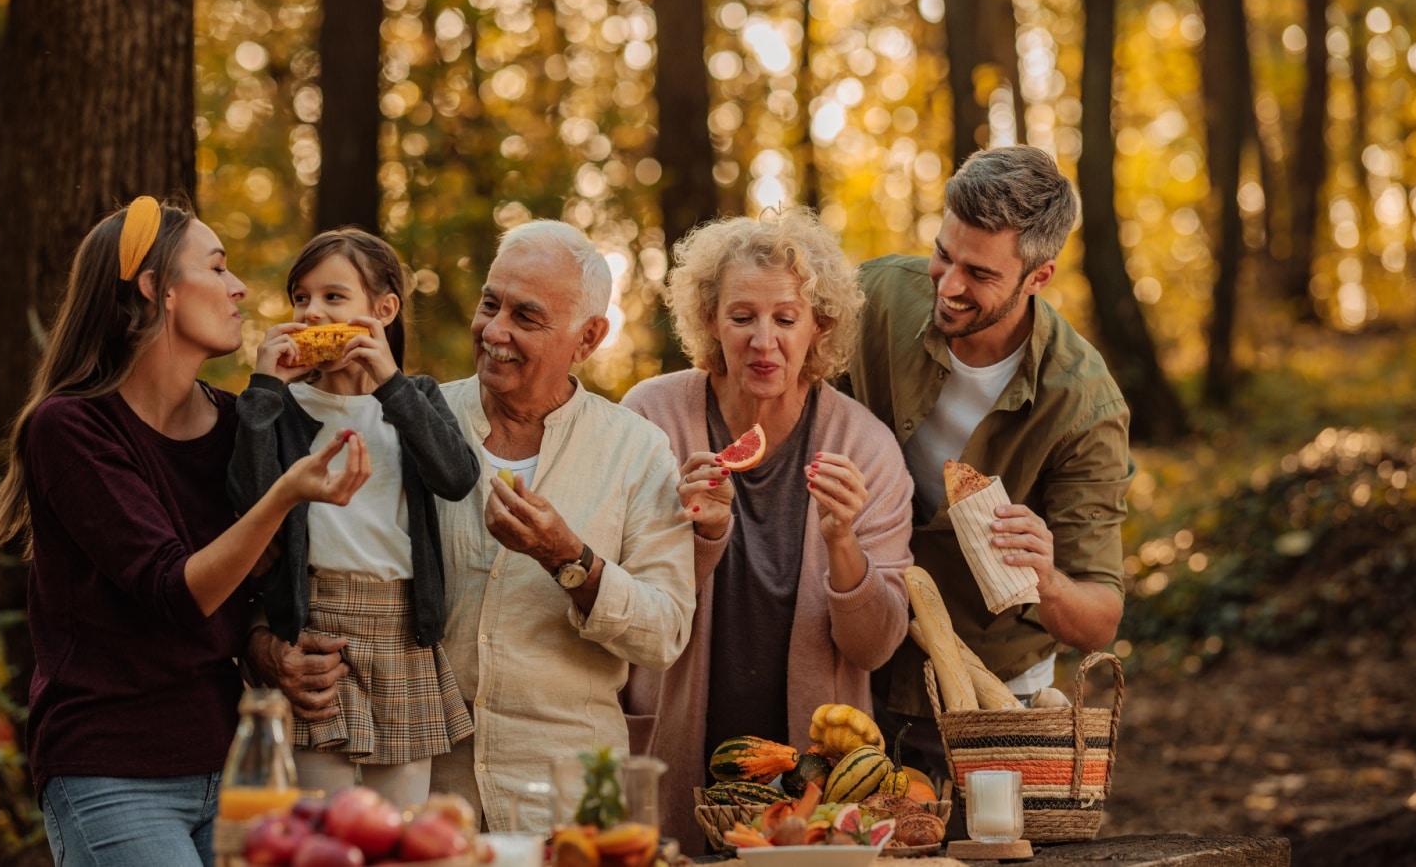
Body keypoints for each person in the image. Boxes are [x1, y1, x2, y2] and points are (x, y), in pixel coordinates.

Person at [248, 219, 695, 832]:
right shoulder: (411, 414)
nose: (495, 331)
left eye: (527, 316)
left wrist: (571, 558)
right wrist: (268, 648)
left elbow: (664, 633)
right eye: (491, 304)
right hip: (429, 782)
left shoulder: (637, 450)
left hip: (566, 797)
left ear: (588, 337)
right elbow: (285, 549)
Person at [0, 197, 369, 867]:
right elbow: (176, 592)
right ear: (155, 288)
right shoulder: (70, 429)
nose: (240, 286)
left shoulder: (237, 421)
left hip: (233, 760)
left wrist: (272, 651)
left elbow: (249, 589)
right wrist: (284, 495)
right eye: (216, 268)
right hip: (113, 770)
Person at [619, 209, 915, 855]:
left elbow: (875, 646)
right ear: (708, 320)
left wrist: (844, 547)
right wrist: (700, 536)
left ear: (820, 327)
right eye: (741, 316)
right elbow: (622, 604)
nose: (763, 340)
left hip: (810, 783)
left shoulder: (865, 447)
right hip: (673, 750)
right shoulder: (650, 419)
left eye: (786, 318)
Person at [845, 146, 1135, 789]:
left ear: (1038, 277)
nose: (948, 285)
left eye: (979, 273)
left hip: (992, 692)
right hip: (854, 654)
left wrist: (1050, 579)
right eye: (944, 253)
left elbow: (1100, 616)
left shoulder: (1084, 404)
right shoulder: (876, 299)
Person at [229, 228, 479, 807]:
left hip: (401, 630)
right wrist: (264, 388)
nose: (311, 310)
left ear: (383, 310)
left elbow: (456, 476)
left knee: (400, 831)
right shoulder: (283, 408)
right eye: (300, 297)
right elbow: (250, 498)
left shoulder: (413, 397)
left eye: (333, 297)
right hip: (319, 634)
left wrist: (391, 383)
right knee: (322, 827)